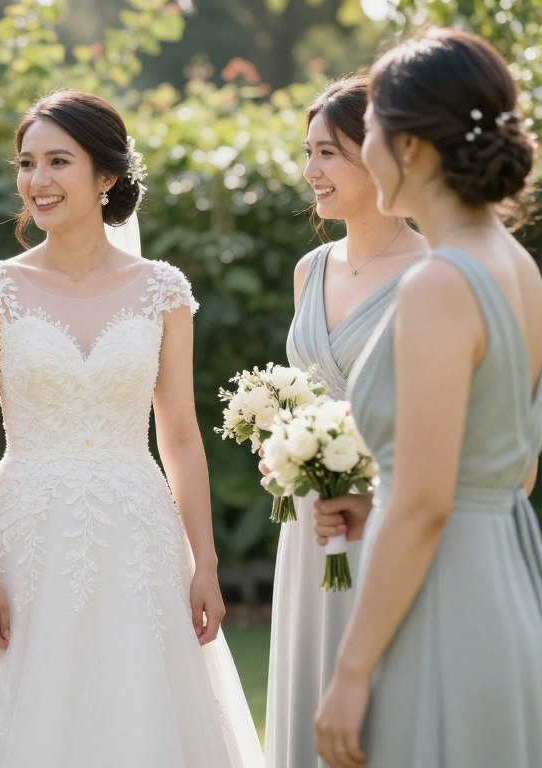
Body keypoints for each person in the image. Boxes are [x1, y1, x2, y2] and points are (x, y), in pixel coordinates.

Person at [0, 89, 263, 767]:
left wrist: (206, 563)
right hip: (25, 531)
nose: (37, 181)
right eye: (27, 163)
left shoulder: (162, 290)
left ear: (105, 175)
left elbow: (181, 438)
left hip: (136, 533)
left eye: (59, 161)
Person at [314, 28, 542, 768]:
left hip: (441, 595)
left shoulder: (439, 283)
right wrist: (374, 506)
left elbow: (425, 500)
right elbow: (511, 465)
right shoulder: (516, 264)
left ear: (410, 146)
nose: (366, 143)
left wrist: (349, 672)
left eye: (372, 125)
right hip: (504, 576)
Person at [262, 75, 425, 768]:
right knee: (307, 687)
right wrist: (285, 452)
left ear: (376, 152)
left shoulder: (429, 271)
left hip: (386, 514)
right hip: (308, 521)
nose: (311, 172)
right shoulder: (310, 269)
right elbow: (302, 400)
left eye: (328, 153)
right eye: (308, 153)